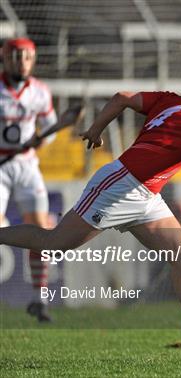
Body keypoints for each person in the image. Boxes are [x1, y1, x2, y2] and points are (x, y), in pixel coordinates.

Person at [0, 66, 181, 359]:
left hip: (146, 193)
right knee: (54, 243)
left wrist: (96, 128)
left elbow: (122, 97)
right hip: (120, 186)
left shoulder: (172, 100)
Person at [0, 37, 58, 322]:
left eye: (27, 57)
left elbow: (52, 128)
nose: (21, 62)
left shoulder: (39, 92)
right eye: (16, 56)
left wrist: (36, 145)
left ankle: (39, 298)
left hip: (26, 166)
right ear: (5, 57)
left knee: (40, 232)